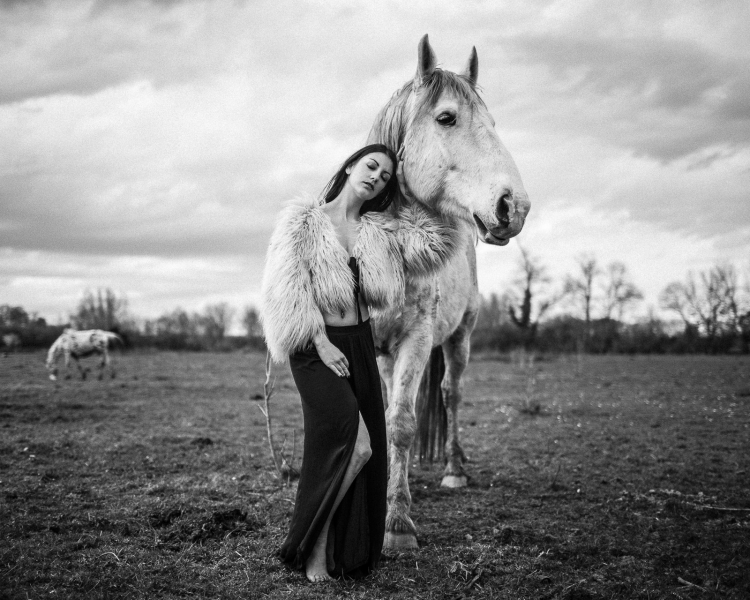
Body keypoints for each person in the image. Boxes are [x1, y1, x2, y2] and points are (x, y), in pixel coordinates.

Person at [260, 143, 456, 581]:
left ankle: (342, 551)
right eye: (371, 167)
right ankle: (314, 550)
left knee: (352, 451)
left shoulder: (378, 230)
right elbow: (284, 290)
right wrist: (319, 341)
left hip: (360, 346)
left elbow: (434, 246)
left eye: (386, 176)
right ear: (351, 165)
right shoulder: (303, 221)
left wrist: (427, 187)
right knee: (360, 443)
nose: (376, 178)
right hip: (316, 348)